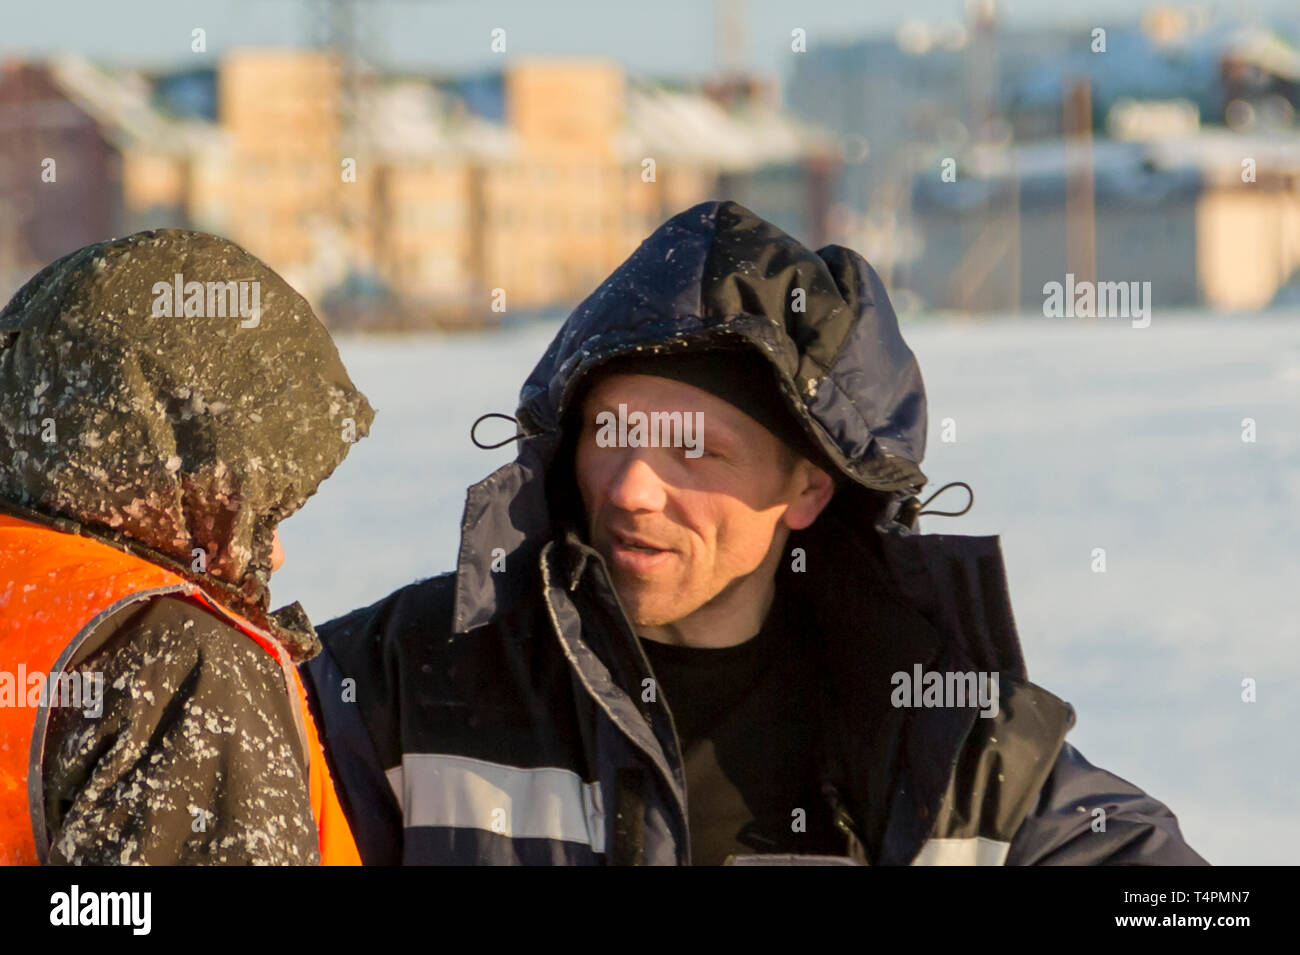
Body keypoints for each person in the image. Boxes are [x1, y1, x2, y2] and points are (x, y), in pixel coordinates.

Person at [305, 200, 1206, 865]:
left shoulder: (936, 735)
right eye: (609, 433)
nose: (631, 487)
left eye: (694, 451)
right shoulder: (398, 682)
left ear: (808, 489)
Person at [0, 229, 374, 865]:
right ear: (159, 472)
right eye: (255, 511)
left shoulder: (29, 601)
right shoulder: (182, 665)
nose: (275, 554)